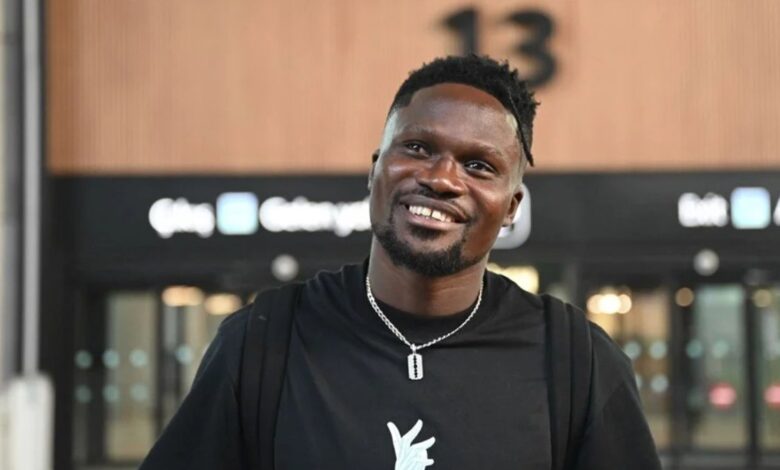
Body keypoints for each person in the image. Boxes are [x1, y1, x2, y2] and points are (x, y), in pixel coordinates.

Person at [140, 55, 661, 469]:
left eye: (478, 165)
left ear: (511, 207)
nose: (441, 178)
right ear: (376, 170)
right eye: (417, 147)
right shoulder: (262, 342)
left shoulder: (576, 361)